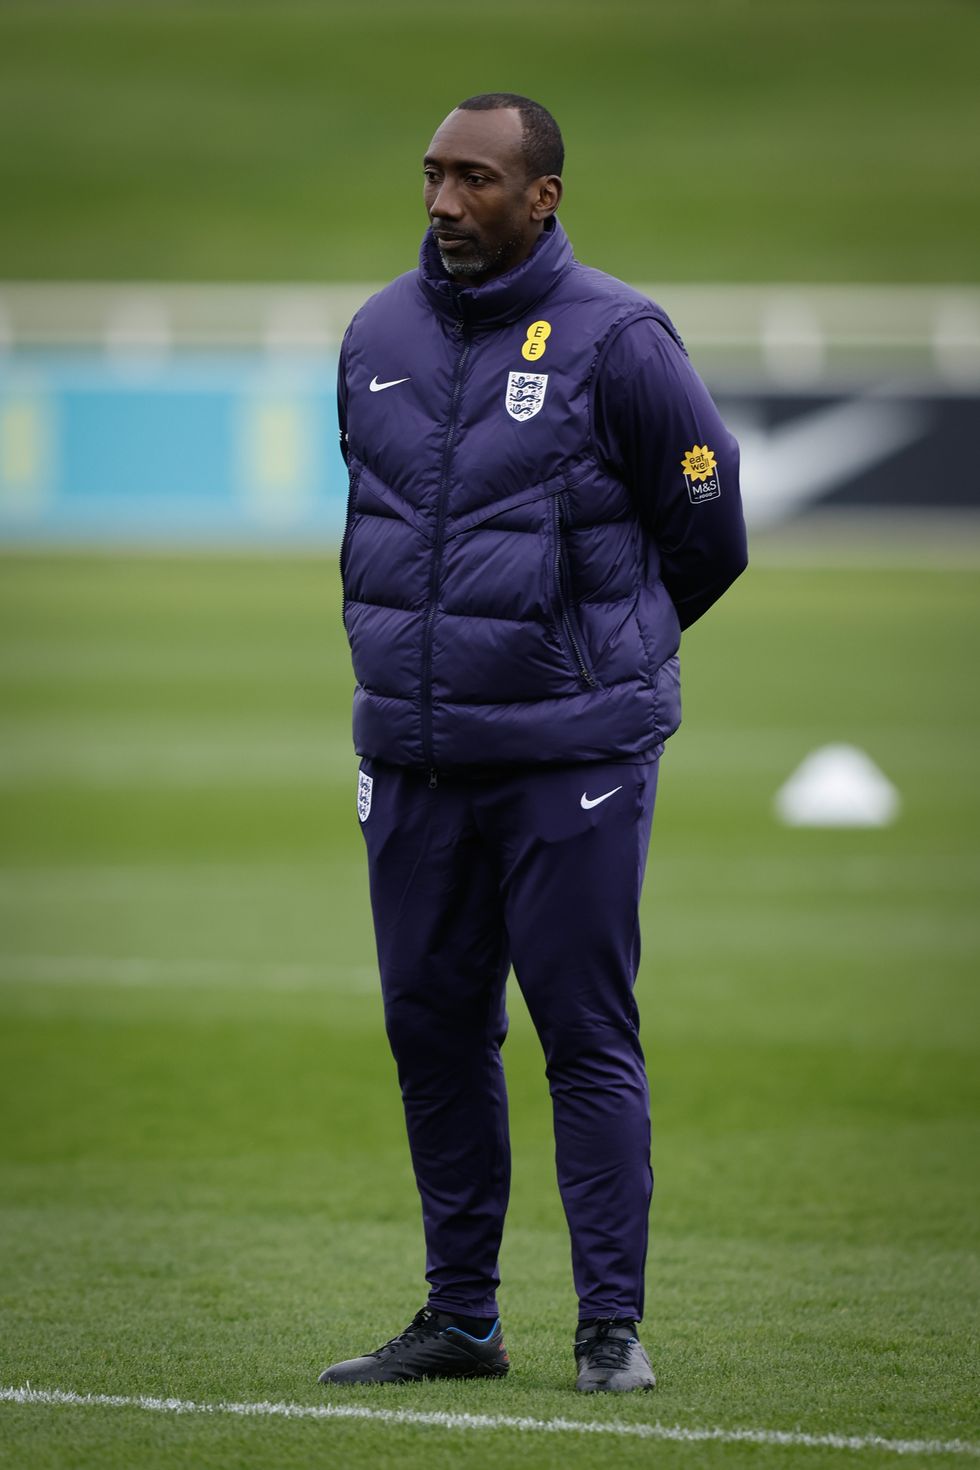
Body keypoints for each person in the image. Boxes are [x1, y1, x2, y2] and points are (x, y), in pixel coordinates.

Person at [319, 93, 747, 1394]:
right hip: (413, 756)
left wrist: (597, 666)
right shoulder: (377, 332)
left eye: (479, 181)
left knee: (582, 1033)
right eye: (435, 177)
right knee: (432, 1028)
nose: (446, 203)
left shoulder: (619, 338)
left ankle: (609, 1326)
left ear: (544, 195)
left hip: (575, 757)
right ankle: (463, 1320)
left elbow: (708, 522)